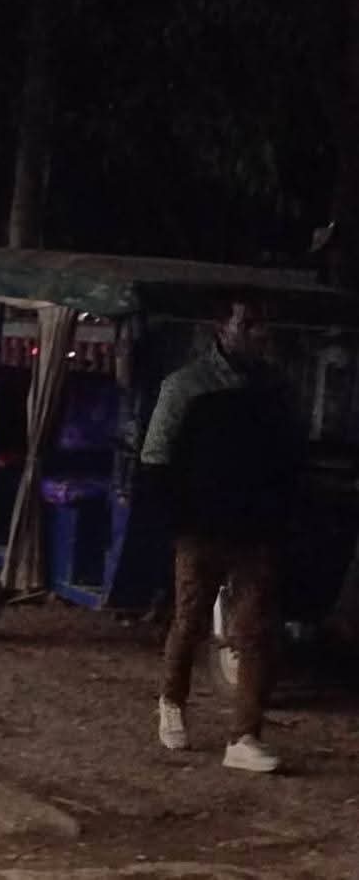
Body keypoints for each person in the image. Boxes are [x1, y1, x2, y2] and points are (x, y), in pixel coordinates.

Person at [142, 297, 302, 773]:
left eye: (261, 325)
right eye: (246, 324)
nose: (257, 334)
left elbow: (288, 458)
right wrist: (178, 520)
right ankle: (172, 700)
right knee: (190, 620)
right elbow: (156, 457)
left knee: (256, 632)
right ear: (222, 327)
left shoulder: (274, 389)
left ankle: (245, 736)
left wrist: (282, 513)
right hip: (202, 528)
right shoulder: (186, 386)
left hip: (256, 530)